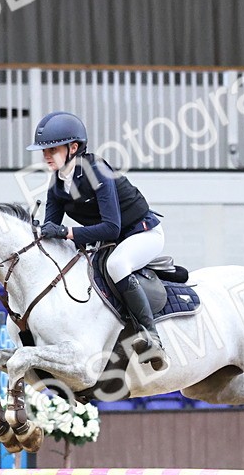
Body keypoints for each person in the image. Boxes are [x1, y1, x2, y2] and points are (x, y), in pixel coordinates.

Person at [28, 111, 167, 370]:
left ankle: (152, 336)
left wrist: (68, 233)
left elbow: (112, 228)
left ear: (73, 147)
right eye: (43, 151)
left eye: (52, 149)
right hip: (109, 242)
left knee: (117, 265)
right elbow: (52, 228)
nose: (45, 155)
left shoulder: (96, 171)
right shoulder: (58, 183)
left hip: (141, 233)